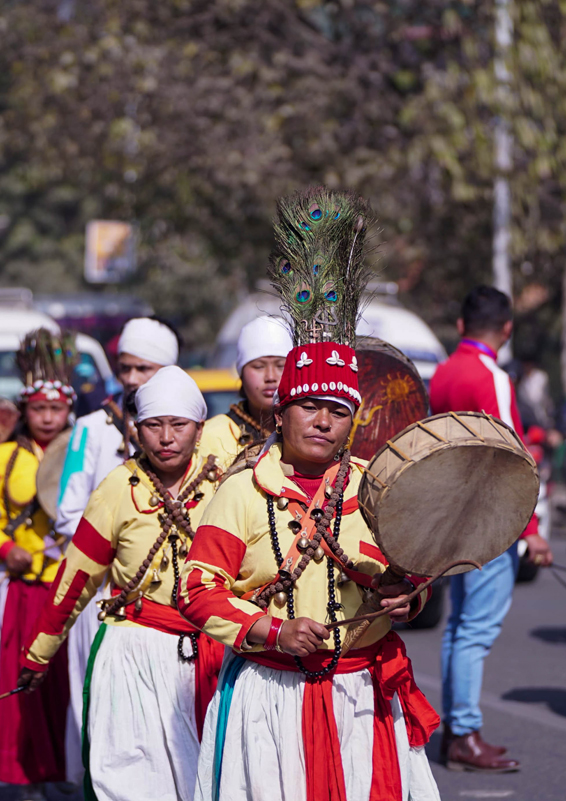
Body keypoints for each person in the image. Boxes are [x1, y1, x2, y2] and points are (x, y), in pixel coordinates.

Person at [179, 189, 440, 801]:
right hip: (271, 700)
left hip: (364, 699)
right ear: (282, 411)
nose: (322, 421)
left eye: (337, 410)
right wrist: (272, 632)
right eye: (308, 406)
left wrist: (410, 598)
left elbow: (412, 572)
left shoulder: (381, 485)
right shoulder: (242, 490)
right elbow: (197, 590)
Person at [18, 366, 224, 801]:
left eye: (178, 425)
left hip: (211, 655)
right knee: (130, 780)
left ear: (199, 428)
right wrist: (39, 653)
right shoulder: (116, 488)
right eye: (153, 425)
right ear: (136, 429)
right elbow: (76, 576)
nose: (166, 437)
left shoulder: (227, 487)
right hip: (132, 653)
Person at [51, 315, 180, 785]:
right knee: (98, 702)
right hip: (104, 594)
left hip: (170, 597)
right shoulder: (91, 428)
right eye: (125, 367)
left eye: (143, 369)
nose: (129, 378)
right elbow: (68, 511)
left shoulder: (187, 434)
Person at [428, 284, 552, 772]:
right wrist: (532, 527)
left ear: (460, 326)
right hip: (491, 518)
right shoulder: (491, 376)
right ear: (507, 330)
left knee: (459, 627)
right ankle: (465, 732)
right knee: (475, 631)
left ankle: (457, 731)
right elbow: (513, 455)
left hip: (452, 516)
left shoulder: (441, 373)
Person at [0, 328, 78, 798]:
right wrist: (4, 548)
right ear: (25, 409)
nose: (48, 418)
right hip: (24, 589)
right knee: (23, 684)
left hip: (73, 588)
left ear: (70, 408)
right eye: (39, 409)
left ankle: (66, 771)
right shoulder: (4, 457)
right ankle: (26, 774)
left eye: (57, 408)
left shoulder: (87, 452)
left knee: (66, 686)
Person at [200, 315, 292, 467]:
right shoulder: (210, 436)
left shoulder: (309, 430)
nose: (270, 377)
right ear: (241, 374)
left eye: (280, 366)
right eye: (258, 366)